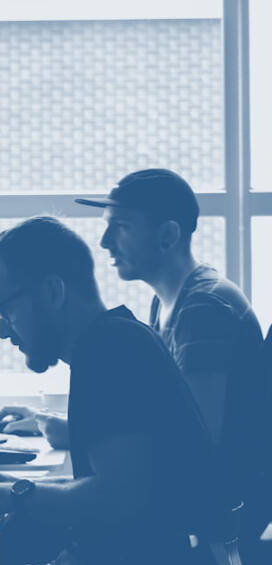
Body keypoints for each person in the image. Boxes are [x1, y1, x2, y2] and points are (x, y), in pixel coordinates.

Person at [0, 217, 218, 564]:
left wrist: (13, 495)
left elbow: (120, 497)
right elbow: (112, 485)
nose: (2, 331)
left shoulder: (110, 352)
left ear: (52, 292)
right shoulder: (117, 338)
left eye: (5, 309)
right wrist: (8, 485)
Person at [78, 168, 271, 560]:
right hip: (199, 506)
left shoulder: (203, 309)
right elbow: (165, 418)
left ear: (167, 236)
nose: (104, 241)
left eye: (121, 227)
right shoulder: (169, 301)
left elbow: (198, 439)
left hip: (212, 517)